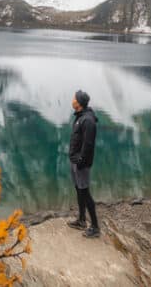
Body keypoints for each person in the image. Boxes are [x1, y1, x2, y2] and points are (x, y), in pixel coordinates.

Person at [67, 89, 99, 238]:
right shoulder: (81, 116)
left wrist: (80, 161)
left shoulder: (88, 120)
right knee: (79, 190)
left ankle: (95, 227)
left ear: (78, 103)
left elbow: (89, 144)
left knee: (85, 193)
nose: (72, 99)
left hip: (81, 164)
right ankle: (81, 220)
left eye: (74, 98)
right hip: (76, 162)